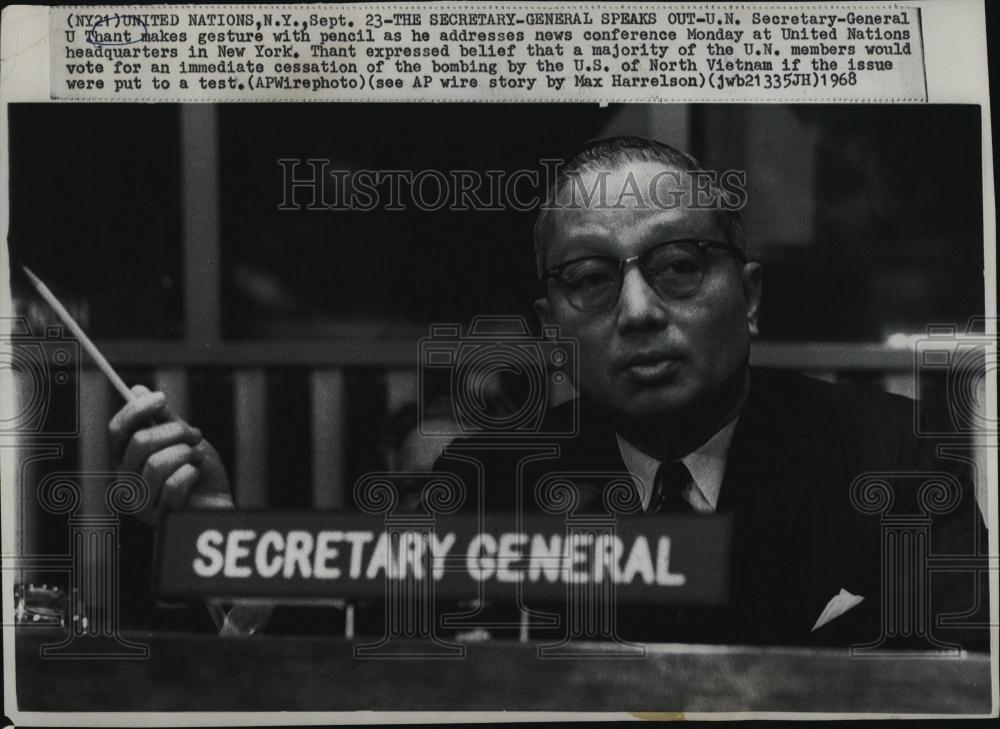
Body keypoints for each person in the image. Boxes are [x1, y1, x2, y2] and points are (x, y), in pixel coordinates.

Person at [109, 137, 987, 648]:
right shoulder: (487, 480)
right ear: (551, 329)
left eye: (680, 267)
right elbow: (362, 659)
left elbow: (963, 678)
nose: (638, 312)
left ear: (749, 297)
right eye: (591, 280)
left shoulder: (894, 454)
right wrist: (212, 532)